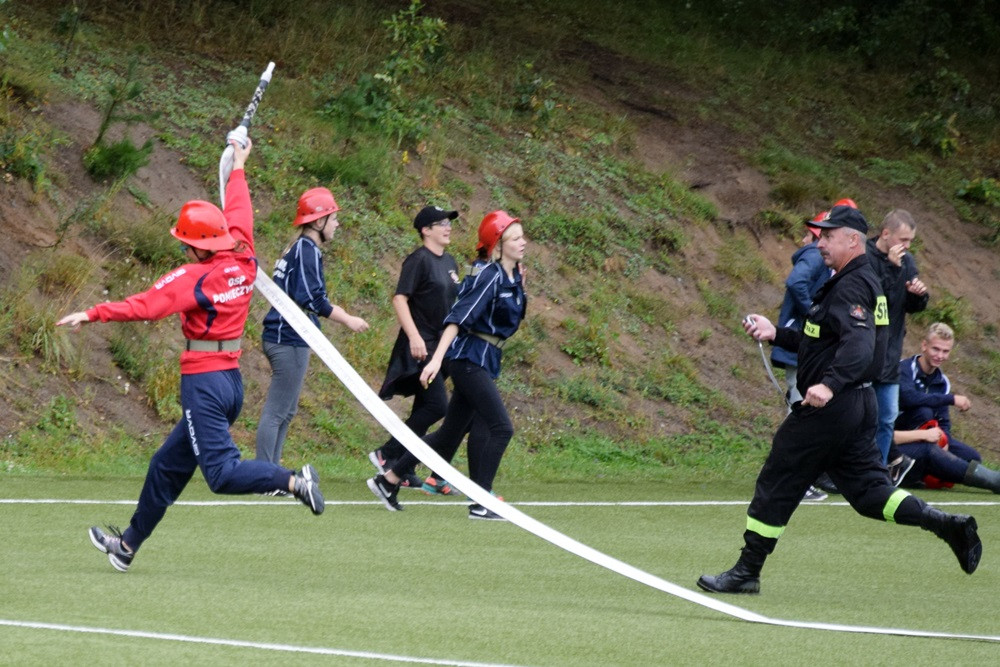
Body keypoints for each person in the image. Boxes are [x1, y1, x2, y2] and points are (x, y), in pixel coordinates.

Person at [57, 139, 324, 573]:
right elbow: (240, 209)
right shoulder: (243, 255)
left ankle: (294, 481)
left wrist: (92, 313)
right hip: (230, 381)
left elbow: (144, 305)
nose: (183, 251)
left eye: (186, 244)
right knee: (167, 464)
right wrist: (238, 164)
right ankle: (126, 545)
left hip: (203, 382)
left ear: (201, 247)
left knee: (220, 475)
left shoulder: (197, 278)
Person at [696, 205, 981, 594]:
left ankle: (747, 571)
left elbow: (860, 347)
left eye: (827, 237)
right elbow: (822, 342)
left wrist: (829, 385)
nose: (820, 243)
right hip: (857, 405)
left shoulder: (852, 284)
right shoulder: (850, 280)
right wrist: (775, 333)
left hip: (834, 406)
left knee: (779, 478)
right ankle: (944, 523)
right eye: (819, 236)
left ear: (852, 240)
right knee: (868, 493)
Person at [367, 210, 527, 520]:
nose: (523, 242)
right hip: (469, 360)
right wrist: (436, 360)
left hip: (485, 358)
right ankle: (482, 501)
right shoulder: (489, 276)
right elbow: (456, 320)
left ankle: (389, 478)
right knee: (501, 427)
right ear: (499, 244)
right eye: (515, 238)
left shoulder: (512, 277)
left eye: (522, 236)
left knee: (447, 434)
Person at [255, 187, 369, 465]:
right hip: (288, 338)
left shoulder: (300, 248)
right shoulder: (306, 249)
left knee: (287, 410)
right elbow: (314, 300)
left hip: (289, 337)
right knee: (277, 411)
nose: (337, 224)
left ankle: (273, 472)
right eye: (333, 218)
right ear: (318, 222)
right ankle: (264, 474)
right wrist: (348, 320)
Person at [370, 205, 463, 494]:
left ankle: (404, 468)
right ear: (426, 230)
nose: (447, 227)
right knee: (438, 406)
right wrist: (414, 337)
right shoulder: (418, 260)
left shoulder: (450, 262)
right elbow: (400, 299)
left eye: (449, 222)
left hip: (442, 349)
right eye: (441, 223)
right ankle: (388, 452)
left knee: (425, 408)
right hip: (423, 346)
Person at [892, 322, 1000, 493]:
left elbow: (944, 423)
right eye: (936, 349)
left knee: (972, 457)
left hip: (924, 438)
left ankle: (920, 474)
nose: (940, 355)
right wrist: (950, 399)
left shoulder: (942, 382)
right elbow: (909, 398)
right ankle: (995, 482)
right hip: (893, 442)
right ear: (924, 345)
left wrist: (944, 442)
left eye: (945, 351)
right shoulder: (902, 369)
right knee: (924, 413)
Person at [771, 214, 831, 502]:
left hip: (801, 345)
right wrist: (813, 312)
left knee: (801, 410)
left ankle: (793, 477)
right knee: (799, 411)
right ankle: (790, 479)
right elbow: (796, 281)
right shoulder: (814, 255)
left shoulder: (816, 256)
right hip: (799, 346)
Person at [866, 209, 928, 475]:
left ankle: (876, 473)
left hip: (890, 353)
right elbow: (871, 296)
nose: (907, 246)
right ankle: (848, 470)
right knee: (858, 417)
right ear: (886, 233)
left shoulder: (907, 261)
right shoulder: (864, 256)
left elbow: (911, 307)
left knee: (887, 416)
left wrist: (919, 295)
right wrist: (891, 268)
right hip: (864, 350)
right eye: (903, 239)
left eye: (911, 241)